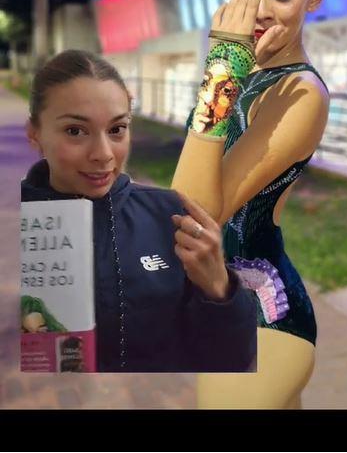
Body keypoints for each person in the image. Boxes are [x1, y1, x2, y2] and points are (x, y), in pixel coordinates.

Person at [171, 0, 330, 408]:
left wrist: (222, 66)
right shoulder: (246, 73)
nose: (258, 10)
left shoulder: (299, 92)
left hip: (265, 316)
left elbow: (194, 209)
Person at [22, 50, 257, 373]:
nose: (103, 155)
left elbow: (231, 361)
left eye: (117, 129)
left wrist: (219, 288)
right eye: (76, 131)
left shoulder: (172, 217)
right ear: (34, 133)